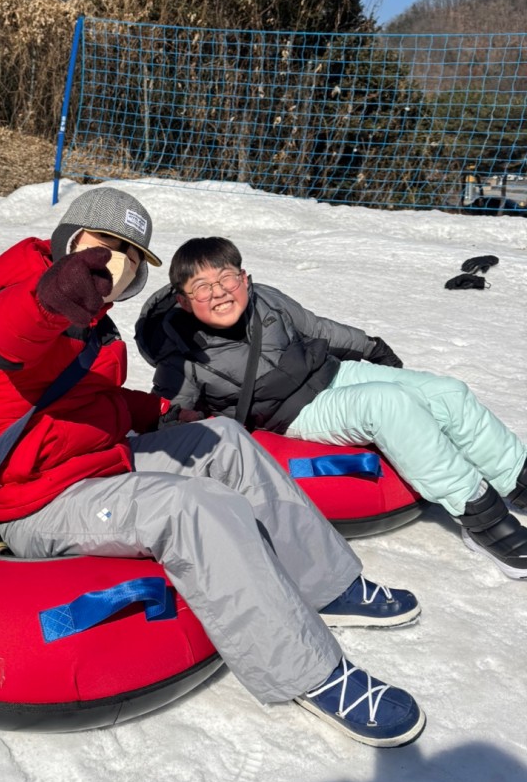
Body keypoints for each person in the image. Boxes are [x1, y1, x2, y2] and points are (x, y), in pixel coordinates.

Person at [0, 186, 425, 748]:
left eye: (130, 253)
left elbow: (83, 399)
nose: (113, 260)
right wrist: (48, 299)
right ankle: (312, 674)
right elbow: (7, 338)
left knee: (224, 439)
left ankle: (328, 584)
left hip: (96, 465)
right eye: (102, 243)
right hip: (42, 500)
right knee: (194, 506)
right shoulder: (27, 301)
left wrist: (156, 410)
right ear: (68, 240)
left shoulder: (96, 323)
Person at [135, 235, 527, 580]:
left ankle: (515, 476)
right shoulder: (182, 355)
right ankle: (480, 516)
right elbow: (169, 410)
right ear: (185, 302)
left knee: (447, 392)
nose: (219, 292)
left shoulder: (267, 298)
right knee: (389, 404)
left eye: (226, 279)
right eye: (202, 287)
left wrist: (372, 348)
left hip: (335, 372)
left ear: (245, 279)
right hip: (296, 412)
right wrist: (176, 424)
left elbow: (318, 328)